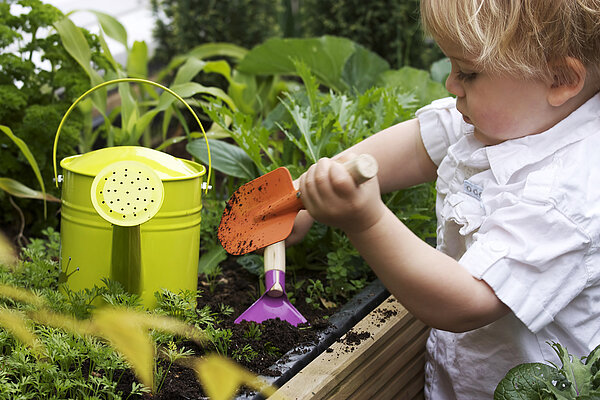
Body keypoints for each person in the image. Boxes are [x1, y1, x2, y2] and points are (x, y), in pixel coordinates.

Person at [286, 0, 600, 398]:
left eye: (468, 72)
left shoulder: (569, 193)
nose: (451, 85)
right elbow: (417, 147)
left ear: (559, 79)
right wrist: (305, 192)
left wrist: (364, 220)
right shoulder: (512, 116)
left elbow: (466, 302)